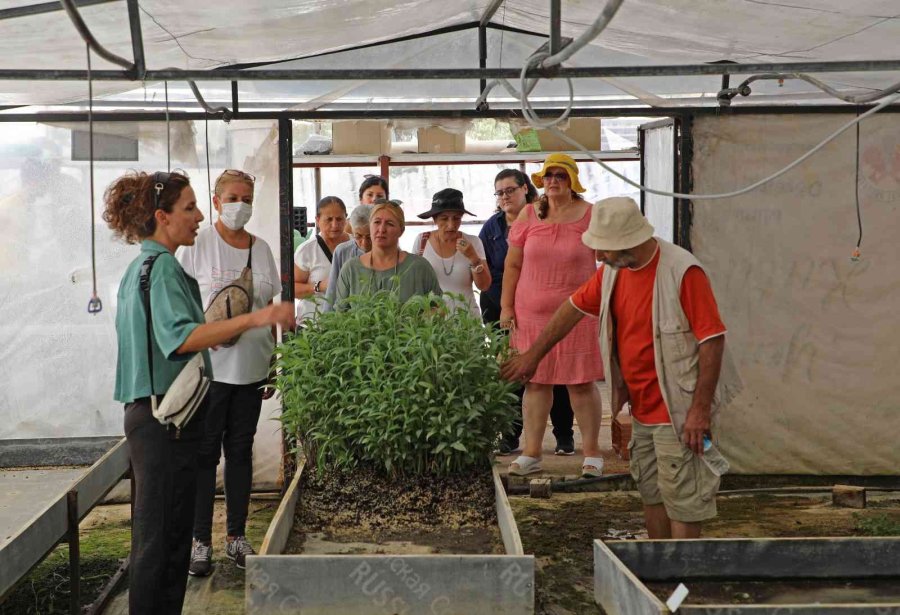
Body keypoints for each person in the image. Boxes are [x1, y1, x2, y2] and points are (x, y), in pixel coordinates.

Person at [105, 170, 294, 614]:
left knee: (163, 537)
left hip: (152, 415)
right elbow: (181, 338)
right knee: (161, 543)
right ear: (161, 217)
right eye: (189, 208)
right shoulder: (165, 267)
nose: (198, 217)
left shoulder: (142, 267)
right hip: (164, 421)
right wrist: (253, 319)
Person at [501, 197, 742, 539]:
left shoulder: (682, 271)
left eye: (605, 249)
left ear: (629, 241)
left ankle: (684, 579)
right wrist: (533, 355)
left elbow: (712, 341)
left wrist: (699, 411)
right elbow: (571, 309)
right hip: (642, 409)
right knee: (651, 491)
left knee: (684, 498)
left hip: (678, 410)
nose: (599, 257)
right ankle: (661, 571)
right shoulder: (613, 274)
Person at [175, 169, 282, 575]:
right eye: (233, 197)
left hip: (252, 367)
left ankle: (236, 537)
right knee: (204, 454)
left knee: (240, 451)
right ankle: (199, 542)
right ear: (216, 201)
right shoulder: (197, 245)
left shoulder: (263, 249)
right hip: (209, 371)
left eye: (247, 198)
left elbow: (269, 311)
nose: (241, 205)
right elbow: (182, 305)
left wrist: (274, 361)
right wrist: (204, 334)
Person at [500, 153, 604, 477]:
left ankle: (592, 454)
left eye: (561, 175)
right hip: (530, 314)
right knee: (535, 383)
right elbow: (512, 264)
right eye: (548, 176)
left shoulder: (591, 215)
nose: (554, 181)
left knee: (581, 384)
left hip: (578, 314)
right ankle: (531, 453)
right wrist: (506, 306)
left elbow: (609, 259)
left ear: (573, 181)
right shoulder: (529, 214)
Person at [481, 169, 575, 456]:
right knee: (513, 375)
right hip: (502, 311)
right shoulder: (492, 228)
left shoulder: (544, 217)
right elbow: (489, 273)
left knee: (555, 373)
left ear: (526, 190)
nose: (505, 197)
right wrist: (505, 306)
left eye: (510, 190)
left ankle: (564, 435)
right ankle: (510, 436)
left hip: (542, 308)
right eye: (500, 192)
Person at [333, 199, 441, 307]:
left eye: (390, 224)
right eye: (377, 222)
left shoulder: (419, 267)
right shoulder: (351, 269)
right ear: (370, 226)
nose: (381, 229)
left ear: (401, 230)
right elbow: (340, 315)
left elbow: (438, 308)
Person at [413, 188, 490, 319]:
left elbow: (484, 285)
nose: (451, 225)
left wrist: (473, 257)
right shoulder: (422, 241)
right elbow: (414, 284)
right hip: (433, 324)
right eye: (444, 218)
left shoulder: (473, 242)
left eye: (456, 218)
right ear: (434, 219)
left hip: (467, 321)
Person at [324, 175, 389, 308]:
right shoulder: (342, 251)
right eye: (358, 236)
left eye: (369, 237)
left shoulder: (390, 249)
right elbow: (332, 292)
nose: (364, 243)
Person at [293, 196, 349, 323]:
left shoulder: (355, 245)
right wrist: (319, 286)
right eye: (329, 219)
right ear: (317, 220)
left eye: (339, 219)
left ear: (346, 218)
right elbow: (292, 289)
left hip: (348, 325)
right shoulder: (307, 250)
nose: (335, 225)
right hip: (313, 324)